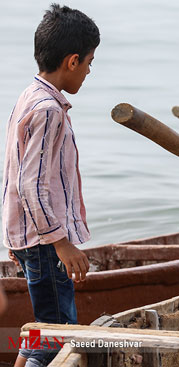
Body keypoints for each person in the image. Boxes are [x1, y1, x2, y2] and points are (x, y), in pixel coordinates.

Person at [2, 4, 100, 366]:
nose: (90, 71)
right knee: (58, 336)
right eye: (89, 62)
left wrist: (16, 238)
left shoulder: (29, 96)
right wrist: (61, 244)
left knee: (44, 328)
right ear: (72, 61)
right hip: (46, 242)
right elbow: (32, 184)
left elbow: (13, 175)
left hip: (31, 238)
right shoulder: (49, 111)